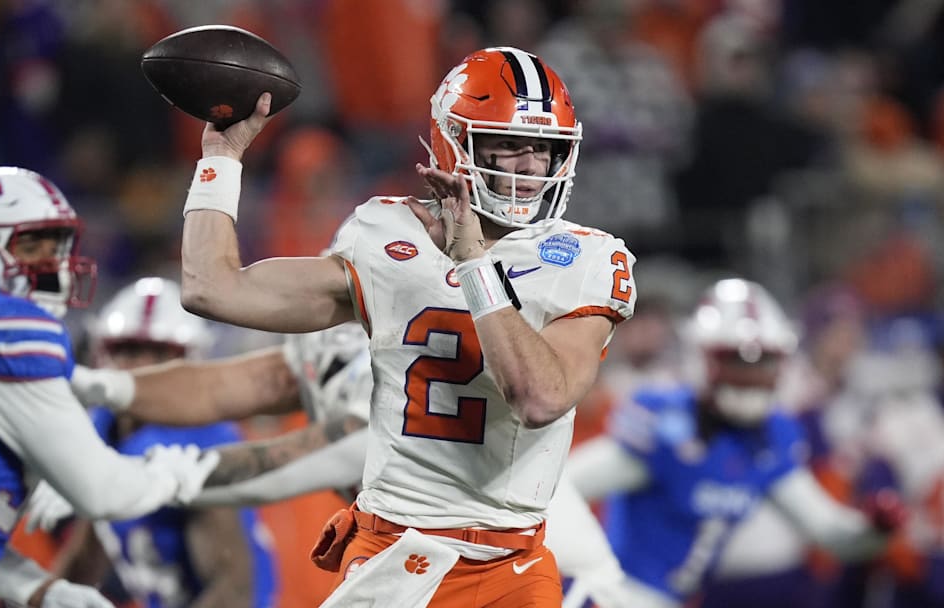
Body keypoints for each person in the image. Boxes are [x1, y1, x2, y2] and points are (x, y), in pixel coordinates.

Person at [175, 46, 637, 606]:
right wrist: (221, 157)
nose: (529, 166)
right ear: (453, 142)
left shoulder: (586, 258)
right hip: (389, 552)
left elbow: (539, 397)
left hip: (506, 562)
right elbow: (211, 287)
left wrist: (474, 265)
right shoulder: (384, 234)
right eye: (506, 145)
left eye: (543, 148)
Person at [32, 322, 631, 608]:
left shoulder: (383, 411)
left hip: (544, 587)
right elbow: (224, 387)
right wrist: (103, 393)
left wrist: (121, 476)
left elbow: (268, 465)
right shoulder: (414, 377)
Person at [0, 167, 220, 608]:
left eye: (59, 247)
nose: (55, 266)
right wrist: (175, 473)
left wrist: (36, 586)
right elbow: (102, 491)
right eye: (32, 247)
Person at [562, 278, 903, 608]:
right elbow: (561, 488)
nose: (751, 374)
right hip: (619, 594)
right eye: (736, 359)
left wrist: (876, 529)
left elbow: (829, 531)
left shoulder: (768, 439)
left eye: (763, 361)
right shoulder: (666, 425)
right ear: (702, 358)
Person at [44, 277, 278, 608]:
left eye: (159, 354)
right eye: (127, 349)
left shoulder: (198, 444)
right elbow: (87, 552)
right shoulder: (102, 428)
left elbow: (233, 591)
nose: (140, 367)